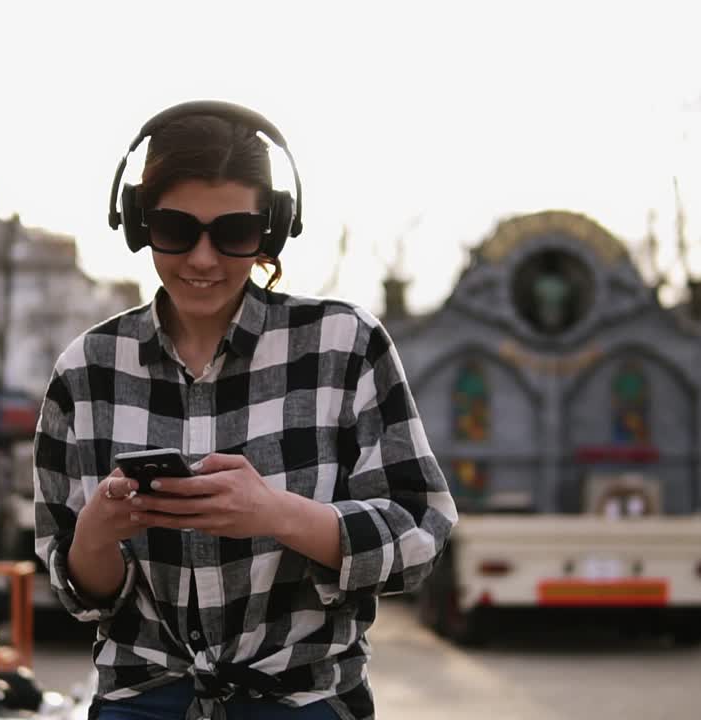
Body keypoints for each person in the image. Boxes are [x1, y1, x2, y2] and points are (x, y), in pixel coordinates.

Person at [34, 100, 456, 720]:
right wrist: (97, 533)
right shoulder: (85, 369)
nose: (203, 259)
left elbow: (421, 531)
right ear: (137, 222)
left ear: (273, 228)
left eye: (233, 233)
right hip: (142, 704)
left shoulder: (345, 344)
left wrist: (275, 513)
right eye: (176, 229)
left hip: (304, 701)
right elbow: (83, 594)